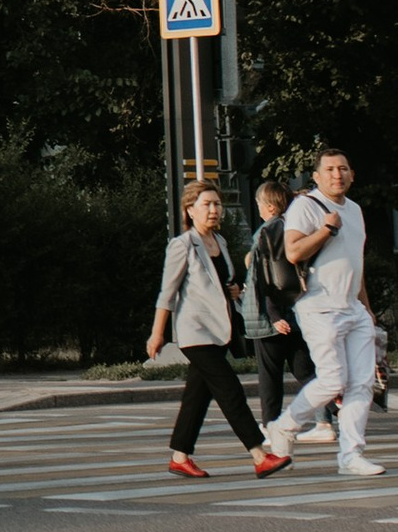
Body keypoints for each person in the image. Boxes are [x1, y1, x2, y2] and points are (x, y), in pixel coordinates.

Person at [263, 149, 384, 478]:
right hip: (318, 305)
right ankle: (285, 425)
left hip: (353, 307)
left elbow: (355, 265)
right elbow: (293, 251)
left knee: (361, 384)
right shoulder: (306, 206)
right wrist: (326, 230)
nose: (337, 175)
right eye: (329, 169)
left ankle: (351, 455)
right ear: (316, 176)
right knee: (333, 380)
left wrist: (368, 310)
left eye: (343, 169)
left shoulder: (356, 210)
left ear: (352, 174)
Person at [146, 187, 281, 478]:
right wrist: (157, 334)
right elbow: (167, 294)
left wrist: (235, 289)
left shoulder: (218, 240)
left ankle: (180, 457)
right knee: (230, 390)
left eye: (217, 204)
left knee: (196, 397)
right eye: (206, 204)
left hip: (219, 331)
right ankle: (259, 455)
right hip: (195, 333)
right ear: (190, 210)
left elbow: (223, 283)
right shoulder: (182, 245)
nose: (214, 209)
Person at [243, 182, 300, 435]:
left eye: (258, 204)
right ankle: (329, 415)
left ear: (269, 206)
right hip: (296, 313)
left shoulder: (266, 232)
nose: (258, 208)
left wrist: (273, 315)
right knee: (306, 370)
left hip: (269, 316)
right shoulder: (294, 228)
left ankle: (270, 424)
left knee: (269, 376)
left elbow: (265, 279)